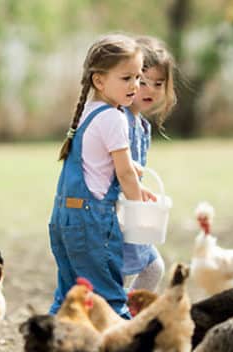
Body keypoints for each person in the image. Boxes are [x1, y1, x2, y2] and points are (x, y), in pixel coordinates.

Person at [48, 34, 156, 318]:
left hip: (64, 218)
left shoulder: (87, 111)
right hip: (93, 221)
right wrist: (139, 207)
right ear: (99, 80)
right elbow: (124, 173)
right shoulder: (114, 117)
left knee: (69, 294)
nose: (136, 85)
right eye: (126, 78)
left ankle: (48, 349)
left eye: (138, 76)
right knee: (110, 298)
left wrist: (135, 171)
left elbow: (102, 162)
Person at [122, 36, 177, 292]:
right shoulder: (116, 120)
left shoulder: (142, 126)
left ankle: (126, 320)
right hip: (115, 216)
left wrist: (143, 195)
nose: (151, 90)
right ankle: (114, 321)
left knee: (153, 267)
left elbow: (136, 173)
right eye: (143, 82)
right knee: (117, 275)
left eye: (158, 83)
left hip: (133, 212)